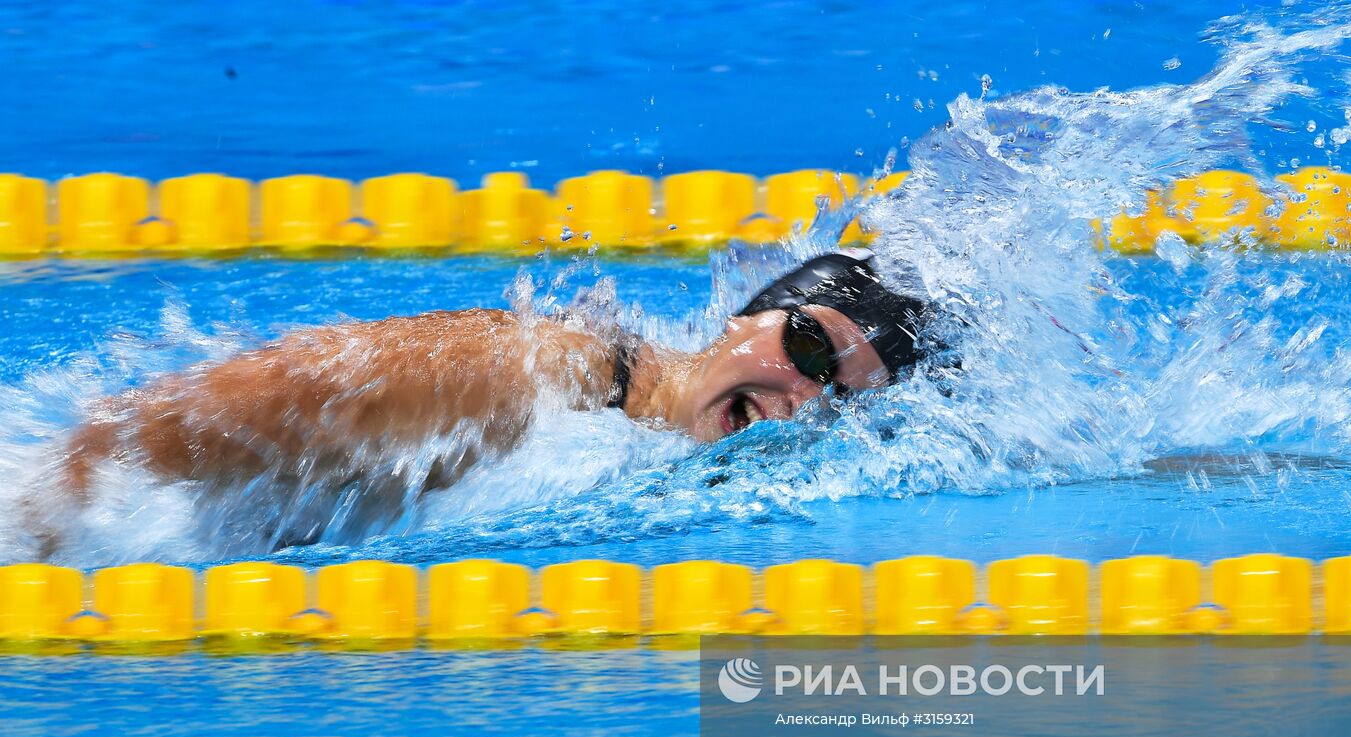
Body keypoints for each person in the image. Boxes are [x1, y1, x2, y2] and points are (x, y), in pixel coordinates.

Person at [61, 249, 938, 500]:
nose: (803, 399)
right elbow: (175, 422)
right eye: (812, 350)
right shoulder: (540, 371)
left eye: (842, 400)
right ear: (747, 313)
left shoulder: (648, 444)